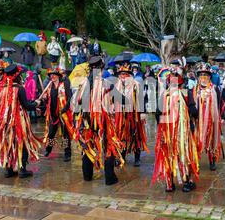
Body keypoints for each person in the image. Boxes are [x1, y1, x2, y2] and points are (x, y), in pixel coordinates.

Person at [73, 56, 124, 185]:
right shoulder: (107, 84)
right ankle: (109, 178)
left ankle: (87, 176)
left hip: (86, 122)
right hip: (103, 122)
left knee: (87, 146)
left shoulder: (83, 84)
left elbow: (75, 104)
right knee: (108, 147)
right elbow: (122, 100)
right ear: (102, 68)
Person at [153, 58, 199, 193]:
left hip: (167, 132)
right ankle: (186, 183)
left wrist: (162, 128)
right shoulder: (186, 94)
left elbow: (157, 114)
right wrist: (193, 120)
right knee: (184, 153)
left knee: (168, 154)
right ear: (182, 82)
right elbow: (194, 111)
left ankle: (169, 184)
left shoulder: (164, 95)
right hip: (182, 133)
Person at [0, 64, 42, 178]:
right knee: (21, 142)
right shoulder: (19, 89)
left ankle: (9, 170)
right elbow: (27, 105)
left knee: (8, 143)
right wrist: (37, 103)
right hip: (18, 121)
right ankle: (22, 170)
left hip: (4, 122)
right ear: (17, 76)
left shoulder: (2, 88)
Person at [113, 63, 149, 167]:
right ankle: (122, 157)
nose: (122, 76)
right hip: (121, 116)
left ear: (129, 75)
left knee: (136, 135)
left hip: (134, 116)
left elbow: (142, 98)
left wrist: (142, 112)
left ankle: (137, 158)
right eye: (121, 74)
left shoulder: (135, 84)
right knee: (121, 135)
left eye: (125, 74)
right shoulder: (117, 85)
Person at [190, 63, 223, 171]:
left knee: (212, 140)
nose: (203, 77)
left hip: (211, 120)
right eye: (201, 75)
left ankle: (212, 160)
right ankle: (195, 160)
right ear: (198, 77)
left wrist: (221, 116)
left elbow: (220, 104)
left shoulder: (215, 89)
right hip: (197, 120)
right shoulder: (193, 89)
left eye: (206, 75)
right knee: (195, 140)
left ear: (209, 77)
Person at [42, 67, 74, 162]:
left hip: (63, 113)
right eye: (51, 75)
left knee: (65, 135)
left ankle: (67, 153)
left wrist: (65, 109)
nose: (52, 76)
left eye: (54, 75)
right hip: (53, 114)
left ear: (58, 76)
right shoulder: (49, 86)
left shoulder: (64, 84)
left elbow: (70, 98)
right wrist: (45, 98)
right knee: (51, 134)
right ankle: (48, 150)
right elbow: (48, 101)